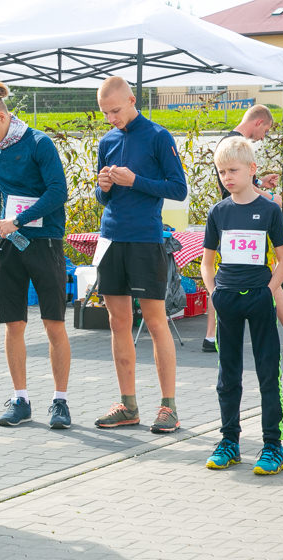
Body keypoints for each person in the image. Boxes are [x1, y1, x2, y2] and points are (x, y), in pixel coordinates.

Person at [0, 82, 73, 430]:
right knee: (13, 324)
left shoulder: (40, 143)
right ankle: (21, 399)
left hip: (44, 242)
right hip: (9, 245)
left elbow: (59, 191)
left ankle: (60, 402)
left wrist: (19, 220)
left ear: (2, 116)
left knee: (53, 324)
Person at [92, 76, 187, 434]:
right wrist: (102, 188)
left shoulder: (159, 137)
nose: (111, 118)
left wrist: (136, 181)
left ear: (132, 100)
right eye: (105, 113)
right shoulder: (107, 141)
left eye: (115, 110)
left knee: (155, 321)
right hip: (112, 238)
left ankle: (168, 406)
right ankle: (127, 404)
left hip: (146, 239)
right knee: (118, 323)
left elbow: (178, 188)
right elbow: (104, 198)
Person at [202, 105, 283, 353]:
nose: (263, 137)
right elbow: (234, 190)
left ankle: (212, 337)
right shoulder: (233, 144)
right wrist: (269, 198)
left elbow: (240, 185)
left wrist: (260, 184)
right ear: (258, 122)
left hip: (237, 222)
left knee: (237, 273)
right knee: (240, 274)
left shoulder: (231, 143)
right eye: (265, 131)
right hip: (239, 221)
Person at [200, 136, 283, 475]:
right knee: (228, 375)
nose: (227, 177)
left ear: (252, 170)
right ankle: (229, 442)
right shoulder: (218, 212)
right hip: (227, 301)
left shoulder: (268, 210)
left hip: (259, 300)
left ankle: (273, 446)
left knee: (268, 372)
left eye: (233, 170)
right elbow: (207, 263)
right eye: (221, 172)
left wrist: (267, 291)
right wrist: (214, 293)